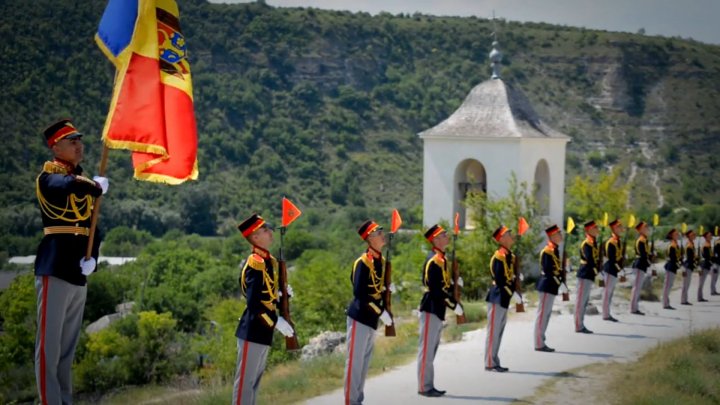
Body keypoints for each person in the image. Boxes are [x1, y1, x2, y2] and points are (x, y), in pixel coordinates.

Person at [34, 119, 108, 404]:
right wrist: (91, 185)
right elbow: (62, 184)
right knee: (48, 348)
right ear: (56, 147)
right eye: (72, 142)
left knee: (67, 349)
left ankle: (64, 400)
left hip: (78, 271)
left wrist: (94, 259)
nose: (79, 146)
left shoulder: (82, 183)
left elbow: (94, 229)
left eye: (80, 141)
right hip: (55, 267)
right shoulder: (49, 177)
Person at [233, 213, 294, 405]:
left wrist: (281, 295)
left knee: (253, 384)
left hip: (262, 331)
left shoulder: (269, 261)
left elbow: (265, 295)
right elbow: (254, 303)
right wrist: (276, 321)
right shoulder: (255, 263)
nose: (270, 232)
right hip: (252, 329)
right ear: (255, 237)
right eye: (264, 230)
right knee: (245, 384)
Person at [344, 220, 393, 405]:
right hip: (360, 317)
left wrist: (386, 291)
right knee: (355, 362)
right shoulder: (363, 262)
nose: (383, 234)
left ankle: (358, 399)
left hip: (371, 319)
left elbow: (376, 289)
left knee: (363, 363)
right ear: (370, 238)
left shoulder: (381, 261)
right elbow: (360, 294)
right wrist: (381, 311)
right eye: (379, 232)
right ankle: (351, 401)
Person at [417, 224, 463, 397]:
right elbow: (435, 289)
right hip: (431, 307)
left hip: (437, 308)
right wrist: (453, 304)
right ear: (435, 239)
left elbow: (443, 284)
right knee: (427, 349)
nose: (447, 236)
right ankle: (424, 386)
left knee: (432, 349)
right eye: (443, 235)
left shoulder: (441, 259)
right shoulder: (433, 260)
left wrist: (454, 284)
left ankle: (428, 384)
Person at [485, 225, 516, 372]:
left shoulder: (509, 255)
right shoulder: (498, 257)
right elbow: (500, 279)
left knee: (499, 331)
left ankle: (494, 360)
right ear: (502, 239)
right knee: (493, 331)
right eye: (509, 234)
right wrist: (513, 291)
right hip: (497, 295)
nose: (512, 236)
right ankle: (490, 362)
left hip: (504, 296)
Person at [535, 225, 562, 352]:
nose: (561, 236)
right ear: (552, 236)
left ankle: (541, 340)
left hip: (552, 285)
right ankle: (539, 343)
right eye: (558, 234)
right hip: (546, 284)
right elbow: (548, 270)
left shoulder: (555, 249)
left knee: (546, 315)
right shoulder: (547, 251)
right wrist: (558, 280)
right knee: (542, 315)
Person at [576, 221, 599, 333]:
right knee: (581, 301)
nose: (597, 229)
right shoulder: (587, 244)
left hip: (589, 274)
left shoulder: (593, 242)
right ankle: (578, 325)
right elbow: (590, 260)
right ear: (589, 230)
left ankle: (581, 324)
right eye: (595, 228)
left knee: (584, 301)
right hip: (584, 273)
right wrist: (597, 271)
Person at [602, 219, 623, 322]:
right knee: (607, 292)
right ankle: (605, 314)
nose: (621, 228)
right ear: (614, 228)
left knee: (610, 293)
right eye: (619, 227)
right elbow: (611, 258)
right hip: (610, 269)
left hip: (614, 270)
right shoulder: (611, 242)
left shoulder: (617, 241)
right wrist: (620, 269)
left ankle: (607, 312)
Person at [630, 221, 652, 315]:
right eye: (645, 227)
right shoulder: (641, 240)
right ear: (641, 230)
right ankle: (633, 308)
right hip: (639, 264)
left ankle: (635, 307)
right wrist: (649, 261)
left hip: (642, 265)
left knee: (638, 287)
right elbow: (643, 254)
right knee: (637, 287)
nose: (647, 229)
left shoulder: (644, 239)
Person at [663, 229, 681, 309]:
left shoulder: (675, 244)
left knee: (670, 285)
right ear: (671, 236)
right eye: (676, 234)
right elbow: (673, 257)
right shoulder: (672, 245)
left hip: (673, 266)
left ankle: (666, 302)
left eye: (678, 234)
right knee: (667, 286)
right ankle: (665, 303)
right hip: (670, 266)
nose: (677, 235)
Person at [681, 230, 697, 305]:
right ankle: (683, 300)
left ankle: (685, 299)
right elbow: (688, 257)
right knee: (685, 284)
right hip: (687, 266)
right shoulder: (689, 245)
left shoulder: (691, 244)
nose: (694, 236)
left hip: (689, 266)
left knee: (687, 284)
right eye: (693, 235)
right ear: (689, 236)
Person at [698, 231, 713, 302]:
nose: (711, 236)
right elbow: (706, 256)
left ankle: (700, 297)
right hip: (704, 265)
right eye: (709, 235)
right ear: (706, 237)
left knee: (702, 282)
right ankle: (699, 297)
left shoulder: (708, 244)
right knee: (701, 282)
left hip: (707, 265)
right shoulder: (705, 245)